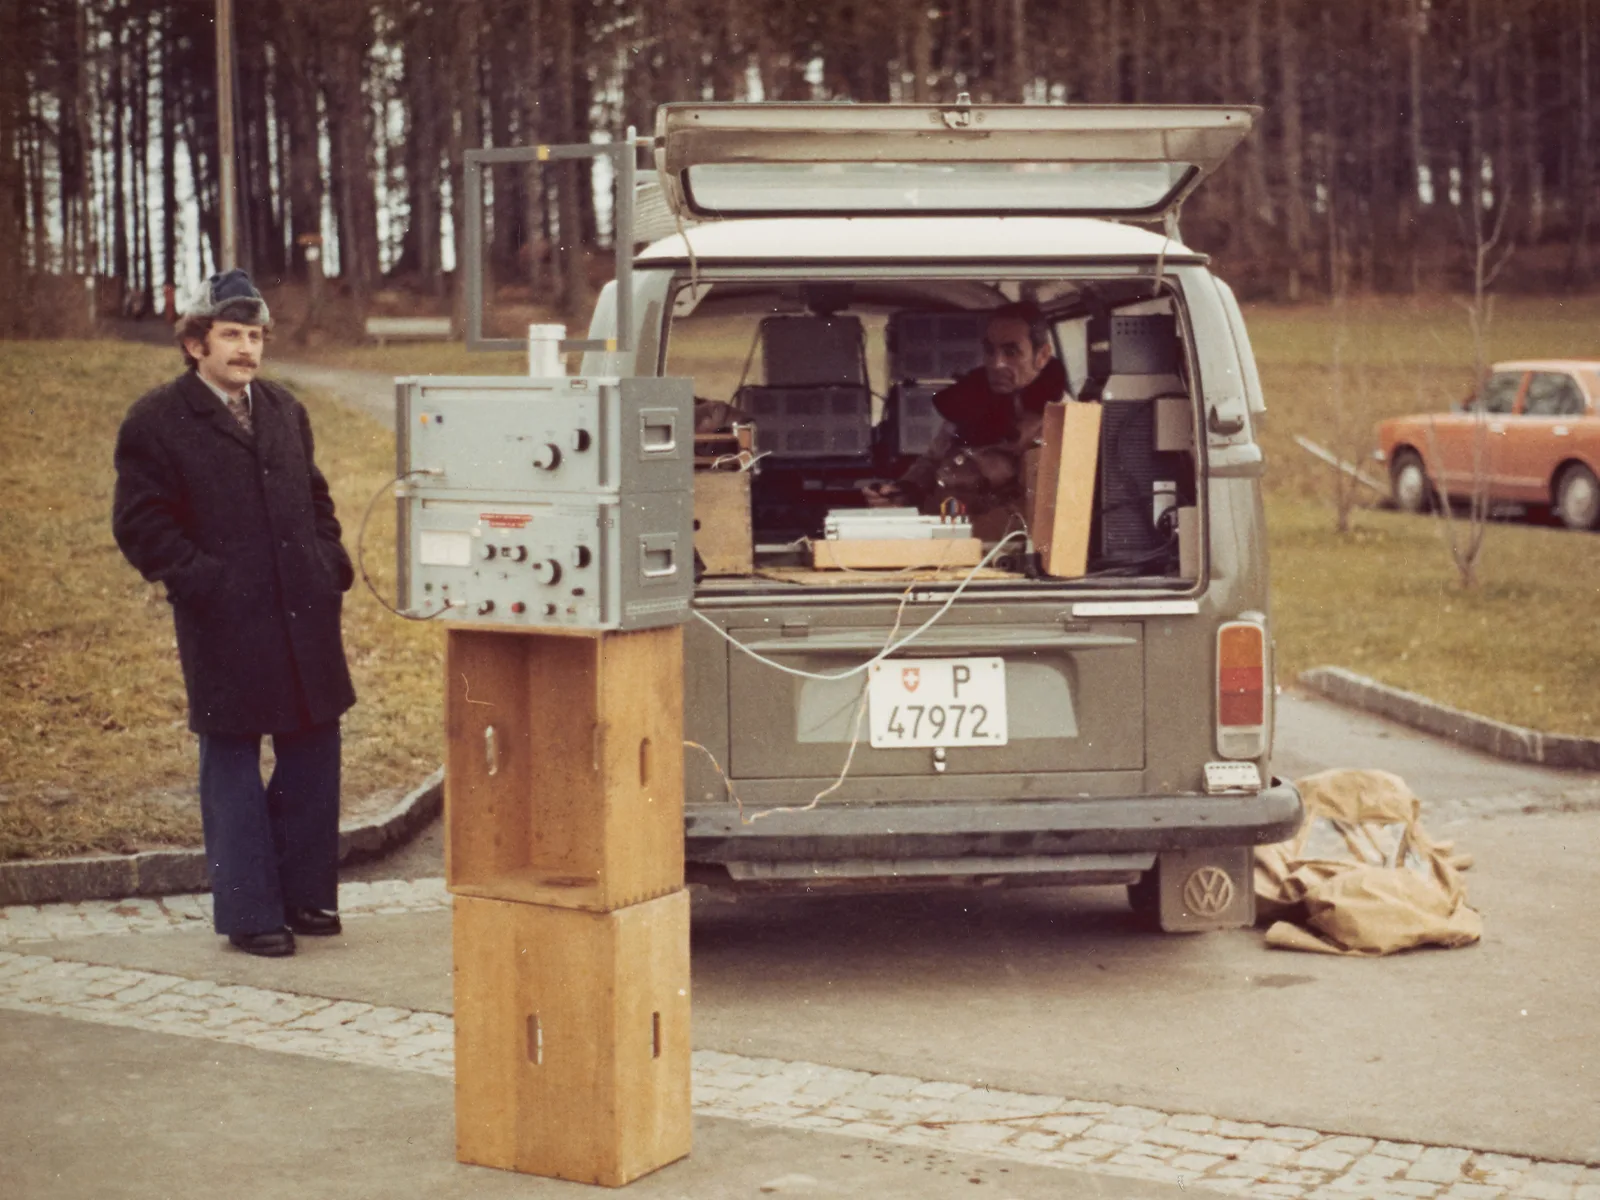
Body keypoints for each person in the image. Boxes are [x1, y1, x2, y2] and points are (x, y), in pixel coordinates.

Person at [112, 269, 356, 958]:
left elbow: (316, 497)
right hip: (226, 620)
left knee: (314, 747)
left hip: (304, 610)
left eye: (254, 336)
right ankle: (251, 912)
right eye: (230, 335)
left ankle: (306, 895)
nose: (246, 349)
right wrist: (203, 583)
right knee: (233, 761)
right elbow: (141, 525)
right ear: (196, 344)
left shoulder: (284, 410)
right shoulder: (156, 420)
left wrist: (327, 561)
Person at [864, 301, 1069, 524]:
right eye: (990, 350)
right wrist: (904, 491)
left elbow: (1038, 510)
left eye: (1011, 352)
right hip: (938, 527)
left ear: (1042, 355)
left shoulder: (1059, 420)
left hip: (995, 541)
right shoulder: (969, 400)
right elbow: (933, 460)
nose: (997, 363)